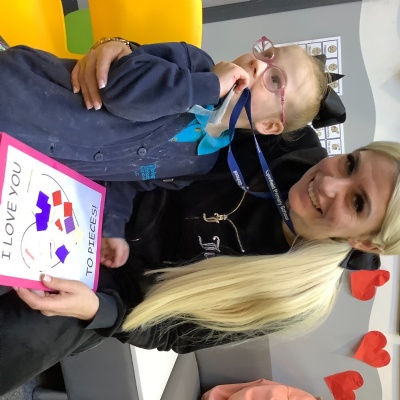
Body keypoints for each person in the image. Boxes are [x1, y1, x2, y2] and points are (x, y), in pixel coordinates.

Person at [0, 35, 329, 268]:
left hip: (22, 161)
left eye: (275, 79)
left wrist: (113, 226)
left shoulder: (201, 161)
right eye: (267, 53)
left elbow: (130, 178)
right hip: (21, 97)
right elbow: (119, 91)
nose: (258, 64)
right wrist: (207, 86)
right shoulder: (192, 64)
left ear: (269, 125)